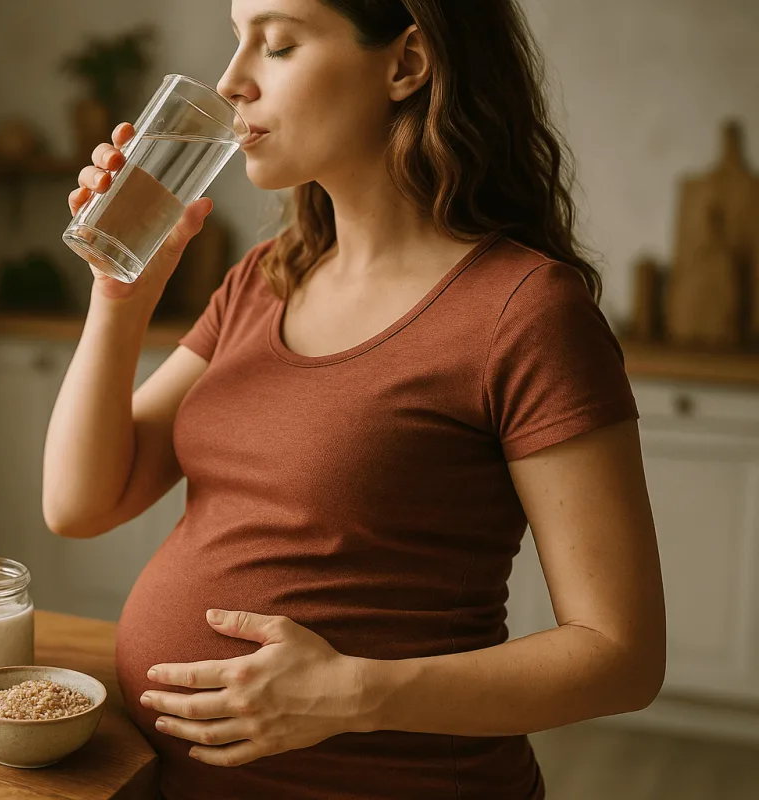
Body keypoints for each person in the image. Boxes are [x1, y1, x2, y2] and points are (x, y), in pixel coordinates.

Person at [42, 0, 667, 797]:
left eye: (278, 45)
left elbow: (621, 656)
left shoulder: (526, 312)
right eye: (238, 42)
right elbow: (80, 502)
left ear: (406, 63)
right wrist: (120, 296)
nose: (232, 81)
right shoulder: (267, 279)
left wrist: (355, 694)